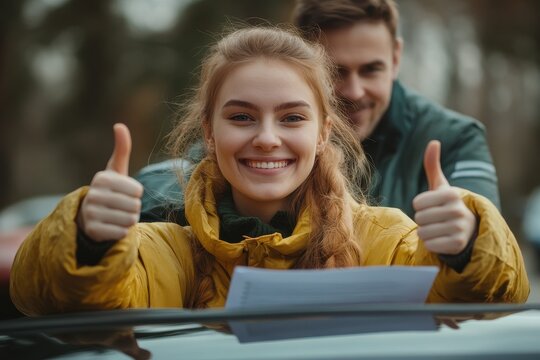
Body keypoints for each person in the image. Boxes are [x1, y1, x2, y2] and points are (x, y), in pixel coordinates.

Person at [10, 27, 528, 316]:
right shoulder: (162, 249)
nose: (265, 136)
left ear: (324, 132)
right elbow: (48, 296)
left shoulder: (386, 240)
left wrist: (466, 245)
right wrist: (87, 240)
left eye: (292, 117)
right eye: (240, 117)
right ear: (209, 134)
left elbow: (486, 304)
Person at [136, 0, 501, 220]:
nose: (354, 91)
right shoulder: (259, 136)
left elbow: (490, 259)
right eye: (336, 72)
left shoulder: (455, 138)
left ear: (396, 57)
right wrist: (113, 210)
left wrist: (467, 236)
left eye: (372, 69)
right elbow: (189, 171)